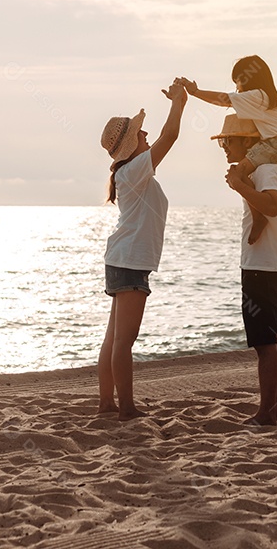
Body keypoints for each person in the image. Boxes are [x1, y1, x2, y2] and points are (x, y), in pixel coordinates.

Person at [97, 79, 187, 420]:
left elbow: (162, 139)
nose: (146, 135)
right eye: (141, 133)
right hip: (130, 261)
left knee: (114, 338)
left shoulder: (129, 173)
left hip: (121, 259)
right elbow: (171, 137)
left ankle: (108, 403)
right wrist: (179, 103)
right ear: (132, 144)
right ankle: (127, 408)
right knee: (123, 341)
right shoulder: (134, 170)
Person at [212, 113, 277, 426]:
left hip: (261, 268)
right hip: (268, 265)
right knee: (276, 339)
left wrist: (238, 186)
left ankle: (265, 413)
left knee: (265, 345)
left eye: (227, 140)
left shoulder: (266, 170)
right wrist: (255, 229)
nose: (223, 146)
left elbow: (272, 206)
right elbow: (263, 215)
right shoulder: (262, 172)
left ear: (248, 141)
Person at [179, 55, 277, 245]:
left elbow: (224, 100)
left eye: (237, 81)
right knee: (242, 175)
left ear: (248, 78)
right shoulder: (268, 98)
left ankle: (259, 218)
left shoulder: (258, 95)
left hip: (275, 145)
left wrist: (195, 91)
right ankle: (258, 216)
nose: (237, 87)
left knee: (237, 174)